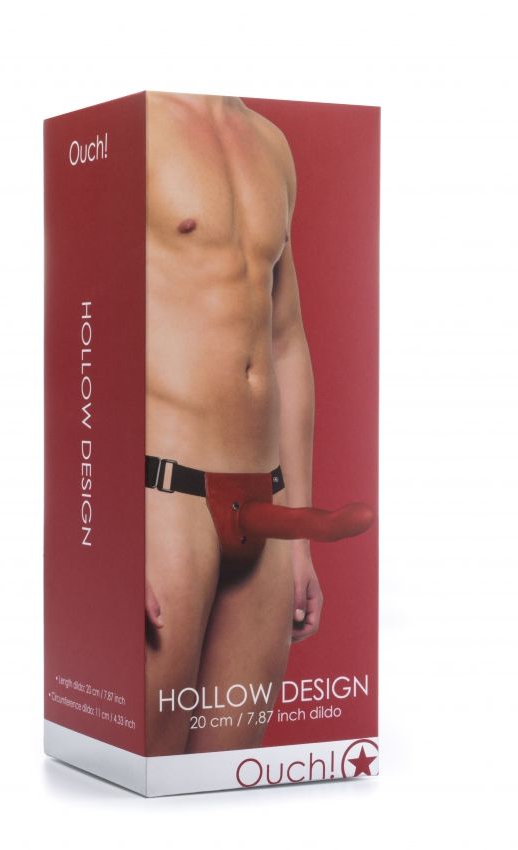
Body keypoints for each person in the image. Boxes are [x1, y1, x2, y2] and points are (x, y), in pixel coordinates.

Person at [144, 91, 367, 756]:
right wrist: (101, 543)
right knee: (151, 768)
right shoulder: (135, 127)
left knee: (230, 776)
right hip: (163, 497)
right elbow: (80, 324)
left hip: (265, 504)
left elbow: (286, 340)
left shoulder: (269, 142)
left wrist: (300, 532)